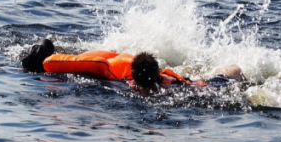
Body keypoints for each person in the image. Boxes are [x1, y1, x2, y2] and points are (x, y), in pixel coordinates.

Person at [22, 39, 243, 92]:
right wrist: (39, 61)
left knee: (230, 73)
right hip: (106, 61)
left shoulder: (167, 78)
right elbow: (50, 62)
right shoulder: (103, 66)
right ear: (134, 82)